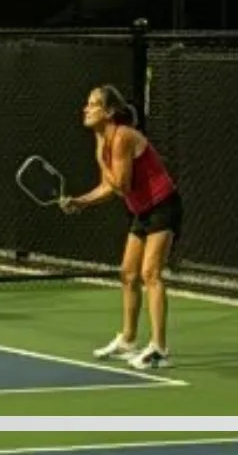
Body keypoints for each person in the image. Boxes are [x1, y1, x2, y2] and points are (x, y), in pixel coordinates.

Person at [59, 83, 182, 368]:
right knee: (128, 274)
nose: (86, 109)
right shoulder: (102, 140)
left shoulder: (123, 137)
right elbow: (107, 186)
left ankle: (160, 350)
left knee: (150, 273)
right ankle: (128, 340)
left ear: (110, 112)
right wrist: (80, 201)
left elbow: (121, 184)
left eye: (93, 104)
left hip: (163, 205)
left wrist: (101, 163)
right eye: (87, 104)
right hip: (142, 210)